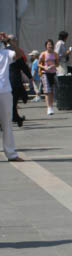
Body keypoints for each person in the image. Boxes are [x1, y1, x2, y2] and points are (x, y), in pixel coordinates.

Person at [0, 32, 24, 162]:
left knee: (7, 123)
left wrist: (9, 41)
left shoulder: (5, 53)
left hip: (4, 91)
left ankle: (11, 154)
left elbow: (19, 54)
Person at [6, 35, 30, 127]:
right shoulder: (11, 52)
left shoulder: (7, 51)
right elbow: (22, 64)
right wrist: (30, 76)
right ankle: (15, 118)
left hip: (9, 81)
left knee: (11, 102)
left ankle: (16, 117)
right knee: (12, 101)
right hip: (12, 81)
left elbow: (22, 62)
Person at [39, 39, 59, 115]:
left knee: (52, 90)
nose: (50, 46)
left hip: (53, 73)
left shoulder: (55, 54)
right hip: (45, 73)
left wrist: (53, 66)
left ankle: (51, 106)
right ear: (46, 46)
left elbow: (57, 64)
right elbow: (38, 64)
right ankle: (49, 107)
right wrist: (44, 67)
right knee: (47, 91)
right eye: (48, 44)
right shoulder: (43, 54)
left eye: (51, 44)